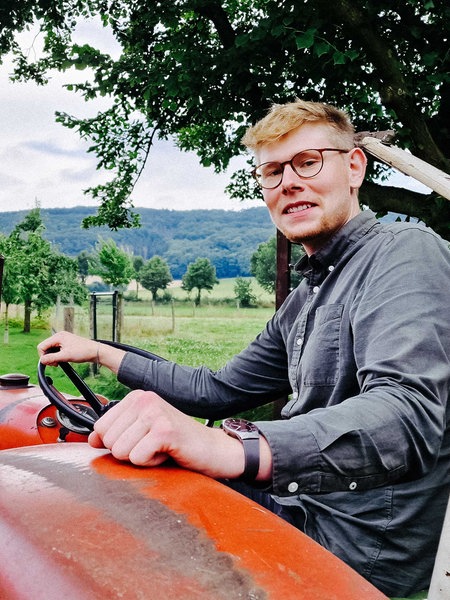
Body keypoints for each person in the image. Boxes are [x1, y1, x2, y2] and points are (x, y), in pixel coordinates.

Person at [38, 99, 450, 597]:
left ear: (355, 166)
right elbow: (218, 390)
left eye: (308, 162)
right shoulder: (306, 298)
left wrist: (232, 447)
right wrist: (102, 352)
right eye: (272, 171)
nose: (288, 182)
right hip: (290, 508)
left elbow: (406, 413)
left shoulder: (405, 252)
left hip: (353, 549)